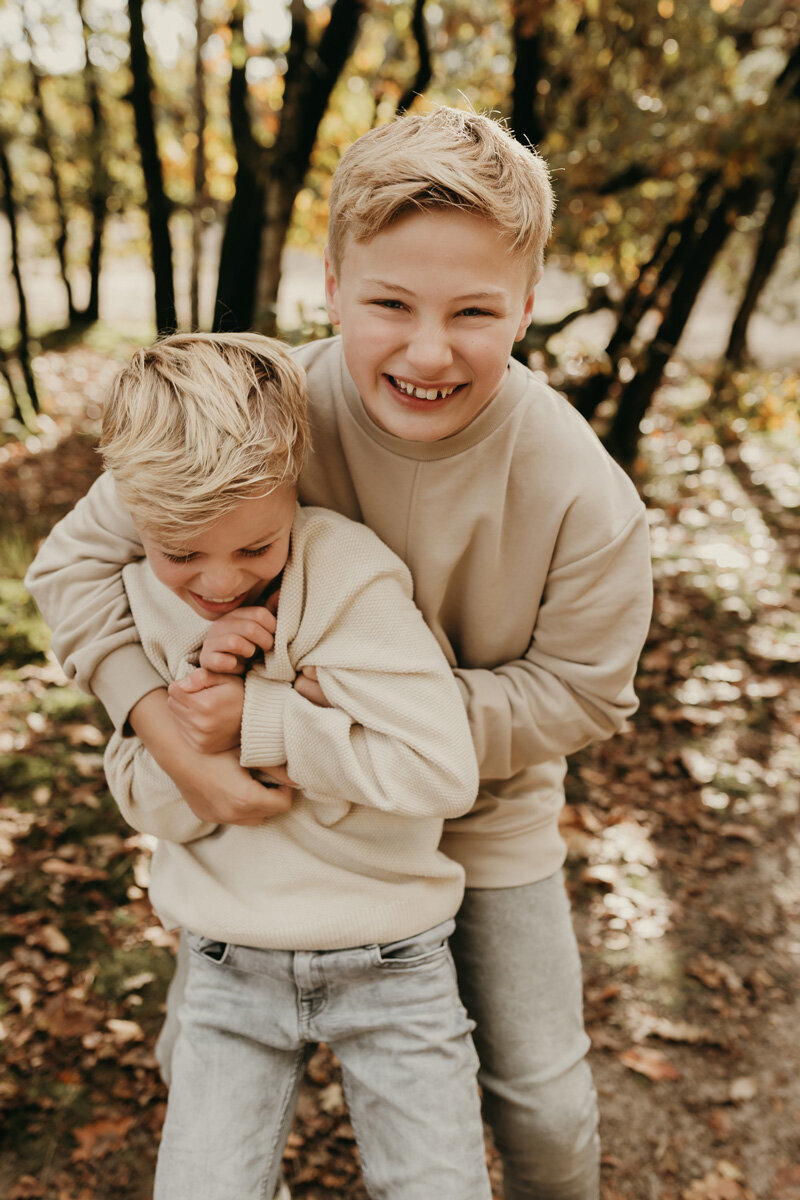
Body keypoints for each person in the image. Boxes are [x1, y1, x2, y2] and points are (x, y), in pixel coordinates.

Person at [26, 106, 653, 1200]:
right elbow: (71, 568)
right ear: (329, 289)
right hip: (276, 822)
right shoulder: (257, 421)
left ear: (528, 302)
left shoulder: (579, 488)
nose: (425, 349)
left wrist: (364, 722)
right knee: (200, 1063)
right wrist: (158, 723)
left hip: (481, 808)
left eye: (472, 311)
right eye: (387, 304)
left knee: (541, 1098)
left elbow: (583, 690)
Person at [82, 330, 489, 1199]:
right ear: (132, 514)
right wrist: (195, 712)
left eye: (254, 549)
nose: (221, 583)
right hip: (231, 961)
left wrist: (263, 718)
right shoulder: (145, 597)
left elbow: (441, 771)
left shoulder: (347, 576)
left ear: (291, 485)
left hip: (393, 957)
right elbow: (150, 801)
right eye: (182, 553)